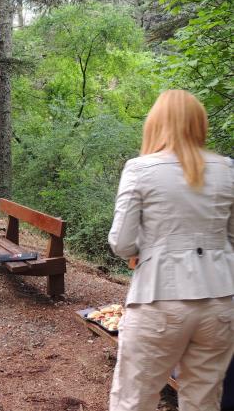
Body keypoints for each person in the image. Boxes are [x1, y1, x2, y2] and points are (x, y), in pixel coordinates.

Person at [108, 90, 234, 411]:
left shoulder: (140, 169)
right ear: (199, 125)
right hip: (221, 301)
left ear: (155, 125)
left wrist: (139, 251)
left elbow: (121, 242)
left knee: (133, 399)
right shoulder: (228, 170)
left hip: (159, 297)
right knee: (204, 401)